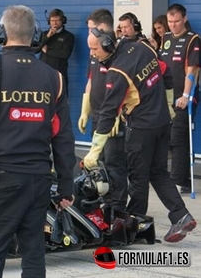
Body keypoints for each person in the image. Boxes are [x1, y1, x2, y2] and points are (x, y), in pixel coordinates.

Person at [0, 5, 75, 278]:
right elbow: (63, 137)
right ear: (36, 35)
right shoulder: (53, 77)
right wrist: (67, 185)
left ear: (0, 33)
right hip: (38, 181)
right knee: (34, 256)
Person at [84, 20, 196, 243]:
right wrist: (170, 103)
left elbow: (108, 111)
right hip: (163, 122)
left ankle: (134, 228)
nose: (93, 54)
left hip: (142, 128)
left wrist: (94, 152)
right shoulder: (143, 46)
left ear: (107, 43)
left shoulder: (118, 71)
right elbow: (165, 72)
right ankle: (181, 215)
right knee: (158, 172)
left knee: (137, 178)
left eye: (95, 48)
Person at [77, 8, 129, 210]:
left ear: (102, 28)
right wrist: (85, 110)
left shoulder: (115, 53)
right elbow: (91, 81)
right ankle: (104, 203)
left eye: (91, 29)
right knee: (98, 162)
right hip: (98, 115)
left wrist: (118, 114)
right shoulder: (94, 50)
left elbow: (123, 86)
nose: (88, 33)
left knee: (114, 163)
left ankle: (117, 207)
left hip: (113, 117)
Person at [161, 3, 201, 194]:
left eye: (177, 21)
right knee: (166, 137)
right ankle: (175, 176)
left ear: (184, 19)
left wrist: (186, 95)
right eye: (170, 21)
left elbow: (192, 69)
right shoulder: (166, 37)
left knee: (179, 138)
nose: (173, 25)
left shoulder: (193, 39)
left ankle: (179, 181)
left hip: (184, 97)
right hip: (166, 97)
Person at [34, 8, 75, 96]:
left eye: (57, 20)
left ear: (63, 21)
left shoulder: (69, 36)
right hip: (43, 73)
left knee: (59, 100)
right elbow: (35, 50)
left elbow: (65, 54)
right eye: (52, 20)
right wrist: (48, 37)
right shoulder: (44, 34)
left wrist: (47, 50)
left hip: (59, 74)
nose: (55, 23)